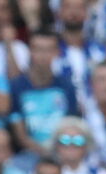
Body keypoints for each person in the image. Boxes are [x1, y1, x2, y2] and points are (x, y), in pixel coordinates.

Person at [8, 29, 79, 159]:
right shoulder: (16, 87)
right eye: (38, 49)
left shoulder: (67, 87)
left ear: (57, 52)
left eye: (48, 50)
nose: (43, 55)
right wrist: (46, 154)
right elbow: (20, 136)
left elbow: (71, 125)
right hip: (28, 156)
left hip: (62, 153)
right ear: (30, 51)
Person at [54, 0, 106, 105]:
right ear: (59, 12)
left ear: (87, 13)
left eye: (79, 7)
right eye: (68, 7)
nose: (73, 12)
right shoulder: (49, 51)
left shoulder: (100, 52)